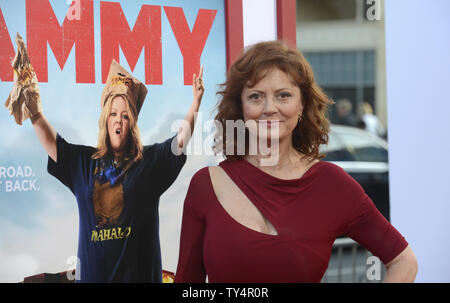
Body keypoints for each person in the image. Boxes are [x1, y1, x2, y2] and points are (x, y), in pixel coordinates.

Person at [174, 40, 417, 283]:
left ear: (302, 105)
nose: (270, 108)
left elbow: (404, 261)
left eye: (283, 95)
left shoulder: (332, 185)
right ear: (241, 108)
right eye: (256, 96)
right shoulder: (206, 185)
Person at [4, 34, 205, 282]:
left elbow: (179, 142)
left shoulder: (149, 163)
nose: (118, 120)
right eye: (113, 114)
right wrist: (33, 107)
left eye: (125, 115)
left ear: (132, 122)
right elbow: (52, 143)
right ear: (105, 120)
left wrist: (195, 104)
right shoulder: (84, 163)